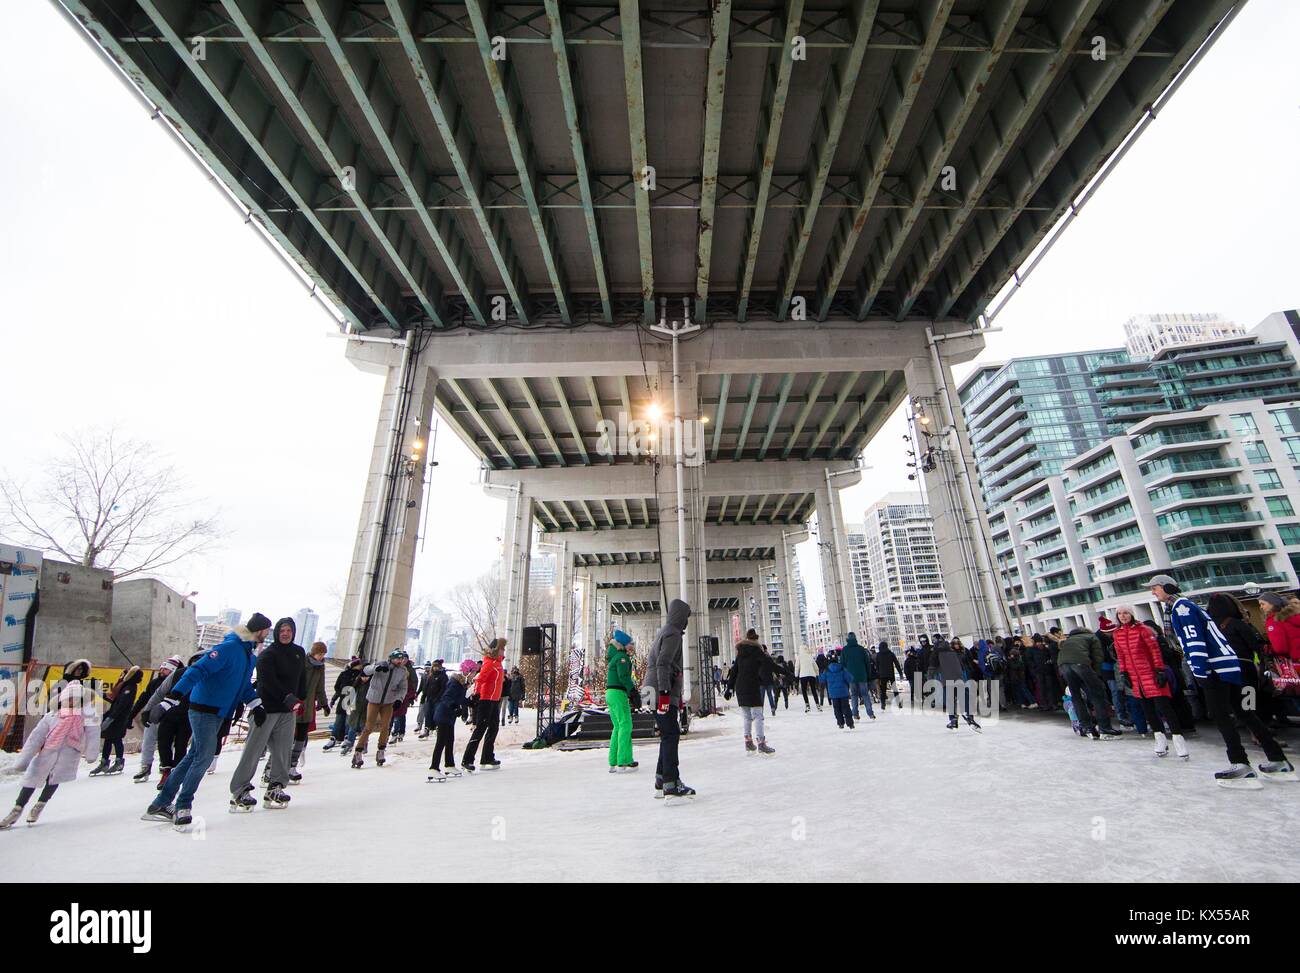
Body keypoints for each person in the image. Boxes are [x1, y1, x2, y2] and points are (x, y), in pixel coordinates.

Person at [1147, 574, 1293, 787]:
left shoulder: (1181, 608)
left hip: (1214, 667)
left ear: (1167, 587)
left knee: (1220, 714)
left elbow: (1193, 640)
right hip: (1229, 665)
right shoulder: (1187, 606)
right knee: (1244, 711)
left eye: (1156, 588)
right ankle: (1277, 759)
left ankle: (1239, 763)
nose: (1153, 592)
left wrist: (1199, 670)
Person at [143, 612, 270, 829]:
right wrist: (171, 698)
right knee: (203, 757)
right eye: (267, 630)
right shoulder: (229, 648)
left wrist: (256, 705)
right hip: (204, 709)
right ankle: (183, 806)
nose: (267, 635)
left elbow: (243, 687)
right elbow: (197, 670)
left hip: (219, 712)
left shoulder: (249, 656)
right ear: (260, 630)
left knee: (193, 756)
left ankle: (161, 803)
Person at [229, 617, 306, 811]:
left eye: (289, 630)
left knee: (282, 751)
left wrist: (301, 697)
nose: (285, 633)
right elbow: (267, 681)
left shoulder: (299, 652)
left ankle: (276, 786)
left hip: (287, 712)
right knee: (253, 751)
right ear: (276, 632)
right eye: (282, 630)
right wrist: (287, 697)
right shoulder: (268, 654)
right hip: (266, 709)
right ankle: (240, 789)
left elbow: (301, 678)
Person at [1, 680, 101, 829]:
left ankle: (40, 805)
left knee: (54, 779)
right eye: (69, 698)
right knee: (31, 779)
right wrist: (24, 760)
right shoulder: (52, 715)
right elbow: (36, 737)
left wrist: (91, 752)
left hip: (69, 753)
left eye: (76, 698)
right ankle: (17, 809)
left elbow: (93, 733)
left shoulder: (86, 716)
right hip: (47, 751)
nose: (72, 701)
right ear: (63, 699)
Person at [1111, 607, 1189, 759]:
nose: (1123, 616)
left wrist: (1159, 670)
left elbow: (1154, 650)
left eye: (1125, 613)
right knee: (1148, 709)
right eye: (1120, 614)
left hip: (1150, 673)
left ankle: (1178, 739)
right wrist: (1124, 672)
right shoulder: (1118, 633)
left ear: (1131, 614)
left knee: (1164, 707)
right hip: (1135, 676)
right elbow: (1121, 655)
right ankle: (1159, 737)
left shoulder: (1143, 630)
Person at [645, 598, 694, 799]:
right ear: (680, 617)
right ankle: (671, 784)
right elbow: (663, 663)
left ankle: (661, 778)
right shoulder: (673, 634)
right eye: (686, 618)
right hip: (659, 691)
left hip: (651, 691)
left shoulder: (663, 632)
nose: (686, 622)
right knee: (671, 735)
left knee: (667, 734)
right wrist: (665, 694)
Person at [1055, 625, 1120, 740]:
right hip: (1081, 664)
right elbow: (1098, 657)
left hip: (1063, 666)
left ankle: (1086, 727)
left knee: (1076, 696)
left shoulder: (1068, 639)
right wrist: (1096, 675)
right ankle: (1104, 728)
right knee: (1097, 695)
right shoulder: (1091, 637)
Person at [351, 649, 411, 769]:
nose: (399, 661)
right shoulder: (381, 664)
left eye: (401, 659)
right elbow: (366, 671)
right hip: (374, 699)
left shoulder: (402, 672)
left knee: (385, 726)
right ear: (391, 658)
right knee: (368, 727)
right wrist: (376, 668)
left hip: (388, 701)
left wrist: (399, 699)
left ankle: (381, 750)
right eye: (397, 658)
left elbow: (403, 687)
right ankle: (358, 751)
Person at [130, 655, 183, 784]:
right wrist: (133, 715)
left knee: (166, 742)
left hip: (168, 717)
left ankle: (165, 766)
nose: (162, 671)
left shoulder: (178, 681)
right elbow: (144, 698)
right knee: (148, 741)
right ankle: (145, 766)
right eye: (162, 668)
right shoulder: (154, 683)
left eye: (166, 669)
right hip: (153, 716)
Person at [726, 631, 777, 754]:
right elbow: (770, 665)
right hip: (752, 686)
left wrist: (729, 688)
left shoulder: (740, 652)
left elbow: (734, 671)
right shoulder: (757, 651)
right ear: (755, 639)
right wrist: (786, 673)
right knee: (758, 715)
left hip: (741, 687)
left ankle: (748, 742)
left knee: (747, 716)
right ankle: (761, 743)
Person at [461, 639, 507, 772]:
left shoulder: (498, 664)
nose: (504, 651)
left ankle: (487, 757)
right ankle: (467, 759)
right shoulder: (489, 663)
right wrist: (476, 694)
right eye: (502, 649)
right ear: (496, 650)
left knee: (493, 728)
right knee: (480, 729)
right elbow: (480, 679)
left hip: (494, 700)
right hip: (486, 700)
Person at [289, 641, 331, 781]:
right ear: (313, 652)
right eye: (320, 654)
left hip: (308, 707)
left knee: (301, 736)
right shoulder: (302, 663)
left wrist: (324, 704)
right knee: (288, 737)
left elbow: (320, 687)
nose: (321, 657)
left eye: (323, 654)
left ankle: (292, 766)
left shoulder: (321, 667)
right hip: (296, 705)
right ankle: (273, 768)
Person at [90, 666, 142, 776]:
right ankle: (104, 761)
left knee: (116, 738)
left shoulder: (130, 687)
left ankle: (119, 761)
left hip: (119, 717)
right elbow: (113, 699)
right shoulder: (123, 686)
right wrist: (98, 690)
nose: (121, 676)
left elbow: (122, 704)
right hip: (113, 714)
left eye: (124, 674)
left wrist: (111, 718)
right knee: (108, 738)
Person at [605, 629, 639, 772]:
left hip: (610, 693)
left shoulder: (615, 656)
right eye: (630, 644)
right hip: (618, 693)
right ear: (623, 645)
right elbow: (623, 676)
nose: (632, 647)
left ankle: (613, 761)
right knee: (625, 724)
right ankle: (623, 761)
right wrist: (633, 691)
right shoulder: (621, 658)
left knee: (618, 726)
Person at [427, 672, 469, 781]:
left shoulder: (459, 685)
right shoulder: (454, 684)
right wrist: (454, 707)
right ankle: (434, 768)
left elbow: (460, 698)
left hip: (449, 717)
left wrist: (472, 702)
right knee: (441, 742)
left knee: (450, 741)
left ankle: (449, 765)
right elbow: (446, 697)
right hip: (443, 715)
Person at [935, 637, 979, 730]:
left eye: (957, 644)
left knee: (961, 697)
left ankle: (964, 717)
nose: (956, 645)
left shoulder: (961, 652)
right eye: (954, 644)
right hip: (956, 677)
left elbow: (966, 664)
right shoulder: (951, 653)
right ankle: (954, 719)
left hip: (960, 677)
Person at [324, 657, 364, 750]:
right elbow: (337, 686)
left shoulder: (361, 675)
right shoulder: (344, 674)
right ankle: (333, 738)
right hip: (343, 698)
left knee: (349, 721)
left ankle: (347, 738)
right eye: (359, 664)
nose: (360, 666)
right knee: (339, 719)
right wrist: (338, 695)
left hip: (353, 699)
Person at [840, 632, 875, 722]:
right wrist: (868, 674)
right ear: (855, 639)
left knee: (854, 695)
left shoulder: (844, 650)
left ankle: (855, 714)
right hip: (862, 675)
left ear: (848, 639)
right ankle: (870, 713)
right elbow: (867, 663)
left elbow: (842, 665)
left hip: (851, 677)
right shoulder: (861, 649)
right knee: (865, 695)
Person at [819, 649, 855, 729]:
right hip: (843, 693)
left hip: (833, 694)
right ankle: (850, 723)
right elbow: (850, 678)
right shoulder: (842, 668)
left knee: (837, 709)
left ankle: (840, 723)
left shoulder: (827, 670)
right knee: (846, 708)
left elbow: (821, 679)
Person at [1259, 591, 1300, 659]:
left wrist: (1270, 649)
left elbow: (1280, 648)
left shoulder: (1273, 620)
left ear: (1272, 603)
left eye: (1263, 604)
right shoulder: (1294, 615)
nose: (1261, 607)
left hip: (1294, 659)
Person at [417, 659, 449, 740]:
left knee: (436, 715)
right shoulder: (430, 676)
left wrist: (438, 697)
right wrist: (423, 697)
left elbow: (443, 688)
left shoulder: (443, 676)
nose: (435, 668)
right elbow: (426, 687)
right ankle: (427, 729)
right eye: (434, 666)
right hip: (429, 698)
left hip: (438, 699)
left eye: (437, 666)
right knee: (428, 714)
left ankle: (437, 728)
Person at [796, 643, 823, 712]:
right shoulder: (809, 656)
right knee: (813, 690)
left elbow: (797, 667)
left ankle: (807, 705)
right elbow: (815, 666)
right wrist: (817, 674)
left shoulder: (799, 657)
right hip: (811, 675)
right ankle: (818, 705)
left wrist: (796, 675)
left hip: (803, 675)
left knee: (804, 691)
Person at [876, 641, 903, 709]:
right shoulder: (891, 654)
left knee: (883, 690)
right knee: (894, 688)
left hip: (882, 675)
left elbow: (877, 666)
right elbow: (896, 664)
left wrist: (878, 674)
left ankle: (883, 703)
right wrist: (900, 673)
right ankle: (898, 702)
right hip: (891, 674)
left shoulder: (878, 655)